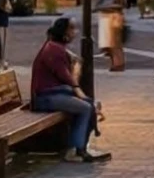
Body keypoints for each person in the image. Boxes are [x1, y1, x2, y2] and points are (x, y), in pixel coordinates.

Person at [29, 18, 110, 163]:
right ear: (65, 32)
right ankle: (76, 150)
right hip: (46, 97)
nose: (75, 32)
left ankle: (80, 148)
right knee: (86, 107)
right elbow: (68, 78)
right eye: (72, 29)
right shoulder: (53, 50)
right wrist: (82, 95)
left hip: (55, 94)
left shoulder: (57, 48)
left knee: (88, 105)